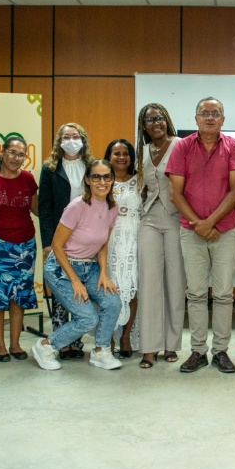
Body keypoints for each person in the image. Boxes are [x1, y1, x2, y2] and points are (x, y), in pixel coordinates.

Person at [166, 97, 235, 374]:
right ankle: (198, 351)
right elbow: (175, 193)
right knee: (196, 293)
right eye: (205, 113)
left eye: (216, 113)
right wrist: (197, 223)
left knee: (224, 294)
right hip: (191, 231)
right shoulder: (182, 147)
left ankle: (221, 351)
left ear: (223, 119)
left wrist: (209, 222)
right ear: (196, 118)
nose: (210, 117)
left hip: (225, 231)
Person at [32, 160, 122, 371]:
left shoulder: (112, 207)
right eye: (96, 177)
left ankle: (100, 351)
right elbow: (56, 245)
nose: (102, 181)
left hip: (88, 266)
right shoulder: (77, 206)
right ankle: (46, 346)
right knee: (88, 318)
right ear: (88, 180)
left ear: (112, 179)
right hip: (61, 269)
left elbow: (102, 243)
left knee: (113, 302)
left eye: (107, 176)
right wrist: (74, 280)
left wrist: (103, 274)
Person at [135, 103, 186, 369]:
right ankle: (149, 347)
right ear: (143, 126)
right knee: (149, 283)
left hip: (177, 219)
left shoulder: (182, 145)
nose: (156, 123)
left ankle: (171, 345)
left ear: (167, 121)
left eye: (160, 118)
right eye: (150, 120)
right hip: (149, 220)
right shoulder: (140, 151)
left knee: (175, 283)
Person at [0, 136, 39, 363]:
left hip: (25, 246)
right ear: (2, 152)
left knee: (19, 297)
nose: (16, 158)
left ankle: (15, 344)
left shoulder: (28, 179)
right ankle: (0, 346)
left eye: (21, 154)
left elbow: (37, 210)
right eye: (12, 152)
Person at [39, 123, 94, 360]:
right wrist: (48, 243)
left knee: (79, 287)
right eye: (66, 136)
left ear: (83, 139)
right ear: (59, 141)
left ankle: (76, 342)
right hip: (60, 237)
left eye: (75, 136)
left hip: (84, 237)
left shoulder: (92, 166)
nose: (71, 140)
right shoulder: (50, 168)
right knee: (62, 289)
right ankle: (61, 342)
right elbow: (44, 207)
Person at [104, 139, 140, 359]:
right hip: (108, 241)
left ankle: (126, 336)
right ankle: (107, 337)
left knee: (133, 288)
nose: (121, 157)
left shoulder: (140, 180)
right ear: (109, 156)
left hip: (135, 239)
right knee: (109, 290)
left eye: (125, 153)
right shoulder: (102, 180)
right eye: (116, 153)